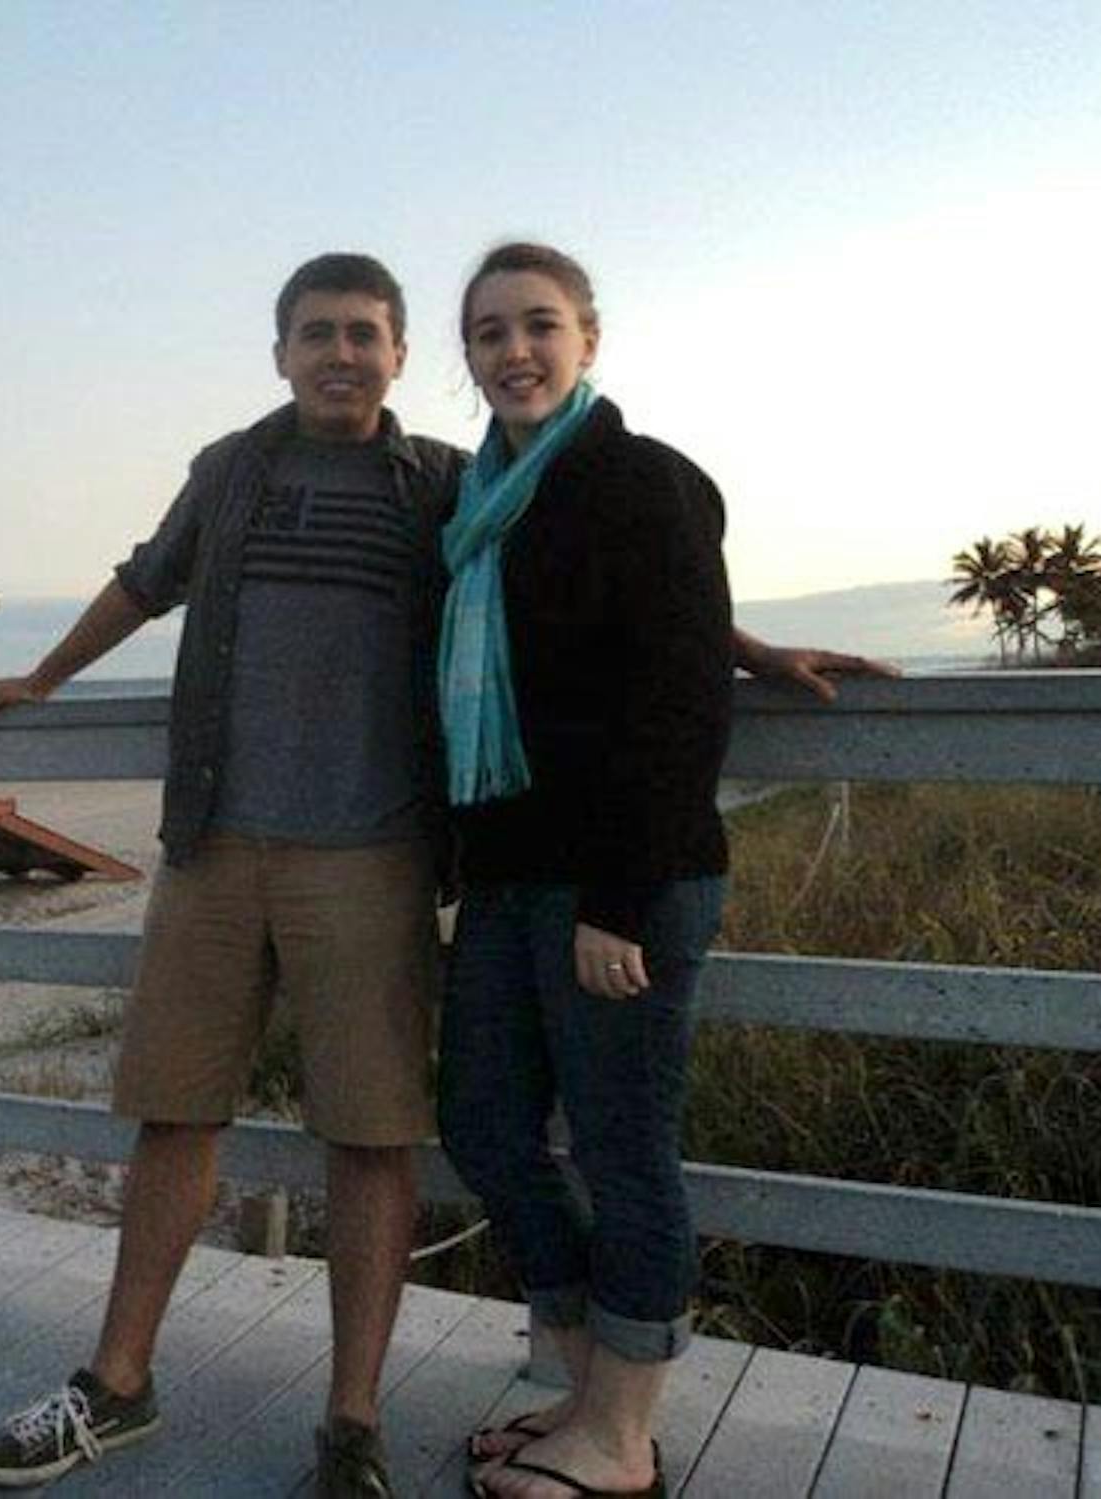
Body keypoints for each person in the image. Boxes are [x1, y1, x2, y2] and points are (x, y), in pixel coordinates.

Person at [0, 250, 888, 1497]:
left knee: (384, 1135)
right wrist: (43, 677)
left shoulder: (447, 483)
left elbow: (635, 595)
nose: (339, 353)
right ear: (280, 352)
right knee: (191, 1114)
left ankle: (359, 1425)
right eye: (316, 333)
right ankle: (116, 1382)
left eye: (364, 333)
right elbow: (143, 579)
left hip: (379, 853)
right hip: (219, 844)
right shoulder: (234, 471)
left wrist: (747, 649)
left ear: (400, 357)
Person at [435, 242, 732, 1499]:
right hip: (506, 876)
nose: (514, 350)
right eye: (488, 331)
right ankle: (581, 1387)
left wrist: (616, 901)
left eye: (538, 324)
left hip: (619, 880)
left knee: (621, 1147)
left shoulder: (641, 478)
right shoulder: (477, 507)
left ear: (587, 339)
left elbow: (676, 697)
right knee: (482, 1125)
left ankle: (617, 1438)